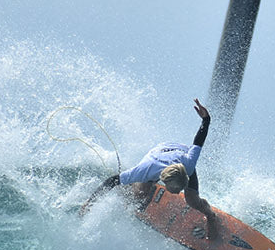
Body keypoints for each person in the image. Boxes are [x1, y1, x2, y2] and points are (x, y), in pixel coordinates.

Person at [80, 99, 219, 240]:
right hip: (158, 153)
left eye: (179, 189)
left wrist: (206, 119)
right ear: (163, 180)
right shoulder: (146, 170)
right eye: (175, 190)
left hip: (179, 155)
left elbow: (198, 140)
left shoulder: (188, 163)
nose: (178, 193)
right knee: (138, 194)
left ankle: (211, 216)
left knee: (192, 200)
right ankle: (132, 187)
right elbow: (112, 180)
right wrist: (89, 202)